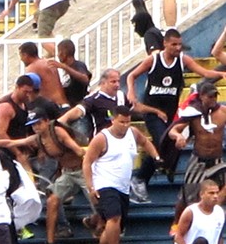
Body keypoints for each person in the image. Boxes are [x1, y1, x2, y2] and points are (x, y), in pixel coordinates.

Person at [126, 29, 226, 203]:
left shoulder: (183, 60)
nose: (178, 48)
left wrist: (220, 74)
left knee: (173, 143)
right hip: (152, 110)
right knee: (164, 141)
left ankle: (165, 167)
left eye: (180, 44)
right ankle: (140, 178)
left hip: (170, 113)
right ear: (164, 43)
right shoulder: (154, 60)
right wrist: (131, 93)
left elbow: (204, 73)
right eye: (174, 44)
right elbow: (132, 75)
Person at [0, 108, 88, 244]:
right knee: (51, 201)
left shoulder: (57, 132)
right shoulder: (38, 139)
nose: (36, 127)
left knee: (98, 204)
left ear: (45, 121)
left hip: (83, 170)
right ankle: (50, 243)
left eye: (38, 123)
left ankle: (96, 222)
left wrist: (91, 169)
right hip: (68, 174)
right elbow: (12, 142)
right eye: (33, 125)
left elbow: (79, 150)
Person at [83, 105, 159, 244]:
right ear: (113, 120)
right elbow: (87, 162)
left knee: (114, 227)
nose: (125, 125)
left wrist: (156, 156)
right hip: (104, 184)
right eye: (121, 122)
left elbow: (145, 142)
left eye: (127, 122)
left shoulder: (133, 133)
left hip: (123, 187)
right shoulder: (102, 138)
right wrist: (90, 187)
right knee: (114, 218)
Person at [167, 82, 226, 227]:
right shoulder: (193, 113)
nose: (213, 100)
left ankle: (210, 221)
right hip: (199, 159)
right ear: (201, 97)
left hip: (216, 159)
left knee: (220, 190)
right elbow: (173, 130)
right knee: (188, 195)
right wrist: (178, 137)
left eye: (214, 96)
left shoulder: (223, 112)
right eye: (209, 97)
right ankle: (177, 223)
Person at [59, 68, 132, 139]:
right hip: (102, 139)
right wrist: (61, 121)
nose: (117, 85)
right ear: (103, 83)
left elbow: (133, 108)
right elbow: (78, 110)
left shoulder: (121, 95)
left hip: (122, 138)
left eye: (118, 81)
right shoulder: (94, 99)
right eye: (113, 82)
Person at [0, 74, 35, 172]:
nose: (28, 95)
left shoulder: (24, 104)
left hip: (20, 149)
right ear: (17, 88)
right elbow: (1, 134)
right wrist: (18, 153)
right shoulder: (6, 107)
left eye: (30, 92)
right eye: (25, 92)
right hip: (5, 152)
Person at [19, 41, 69, 107]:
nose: (21, 59)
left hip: (52, 107)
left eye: (21, 56)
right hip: (64, 103)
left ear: (25, 55)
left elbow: (26, 89)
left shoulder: (32, 68)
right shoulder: (48, 62)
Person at [48, 39, 92, 107]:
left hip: (78, 106)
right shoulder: (64, 69)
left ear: (64, 53)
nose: (57, 55)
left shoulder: (78, 65)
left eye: (59, 51)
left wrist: (64, 67)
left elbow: (84, 78)